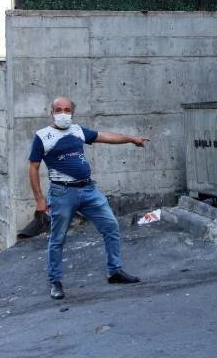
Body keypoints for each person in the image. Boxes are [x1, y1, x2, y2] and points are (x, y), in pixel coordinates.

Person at [28, 96, 149, 299]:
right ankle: (55, 281)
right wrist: (39, 199)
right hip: (62, 193)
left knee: (111, 226)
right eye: (58, 110)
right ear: (51, 113)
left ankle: (114, 271)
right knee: (58, 239)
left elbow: (106, 137)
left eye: (67, 109)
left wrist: (131, 139)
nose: (63, 113)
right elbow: (33, 167)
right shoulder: (43, 136)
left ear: (72, 112)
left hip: (88, 190)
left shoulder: (78, 131)